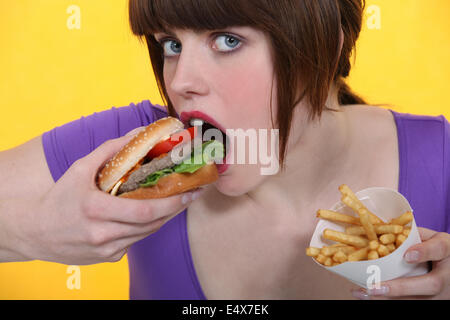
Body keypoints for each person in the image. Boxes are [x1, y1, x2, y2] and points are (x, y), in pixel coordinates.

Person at [0, 0, 449, 300]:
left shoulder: (442, 158)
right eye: (171, 44)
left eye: (227, 40)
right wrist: (30, 230)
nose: (180, 82)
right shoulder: (141, 152)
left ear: (325, 44)